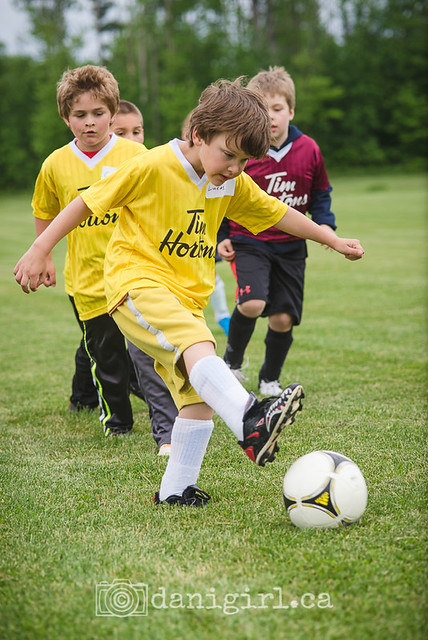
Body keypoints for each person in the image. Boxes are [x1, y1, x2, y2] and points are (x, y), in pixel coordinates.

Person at [14, 78, 364, 508]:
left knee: (197, 397)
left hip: (186, 298)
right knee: (200, 346)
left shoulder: (231, 181)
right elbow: (87, 202)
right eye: (229, 155)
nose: (235, 168)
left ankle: (176, 490)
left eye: (244, 160)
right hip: (137, 282)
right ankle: (250, 418)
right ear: (198, 134)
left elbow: (278, 213)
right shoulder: (152, 164)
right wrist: (40, 249)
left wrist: (331, 239)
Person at [29, 64, 152, 439]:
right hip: (86, 281)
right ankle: (118, 423)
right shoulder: (55, 164)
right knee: (107, 355)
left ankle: (170, 413)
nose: (89, 123)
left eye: (98, 113)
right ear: (66, 118)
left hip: (136, 274)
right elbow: (44, 211)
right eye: (79, 115)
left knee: (152, 349)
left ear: (113, 114)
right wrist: (44, 255)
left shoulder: (136, 155)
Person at [219, 66, 339, 395]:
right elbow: (224, 194)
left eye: (277, 108)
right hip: (249, 240)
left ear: (291, 111)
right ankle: (231, 365)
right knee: (253, 303)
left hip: (291, 245)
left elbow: (321, 192)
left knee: (283, 318)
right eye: (264, 109)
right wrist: (222, 235)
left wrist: (324, 223)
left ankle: (269, 377)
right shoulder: (243, 149)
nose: (271, 116)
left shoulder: (309, 149)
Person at [182, 113, 231, 336]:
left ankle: (223, 317)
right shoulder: (168, 168)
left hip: (201, 237)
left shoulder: (220, 176)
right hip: (175, 243)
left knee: (210, 275)